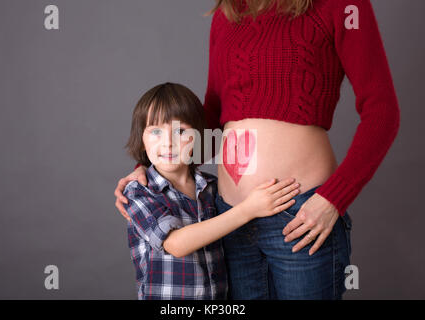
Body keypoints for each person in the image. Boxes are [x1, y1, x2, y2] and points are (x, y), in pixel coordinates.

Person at [115, 0, 400, 299]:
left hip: (301, 214)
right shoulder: (228, 13)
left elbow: (383, 111)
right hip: (229, 219)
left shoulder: (343, 6)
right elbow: (210, 117)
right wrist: (149, 169)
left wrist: (333, 199)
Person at [123, 82, 300, 300]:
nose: (168, 143)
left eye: (180, 131)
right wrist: (249, 209)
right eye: (156, 132)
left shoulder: (210, 187)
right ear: (142, 140)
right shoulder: (139, 192)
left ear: (198, 137)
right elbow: (176, 244)